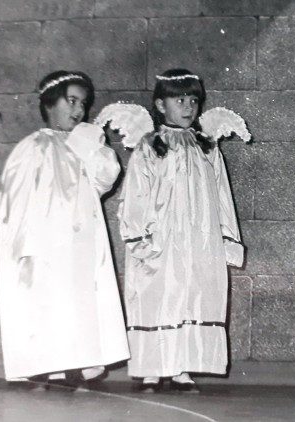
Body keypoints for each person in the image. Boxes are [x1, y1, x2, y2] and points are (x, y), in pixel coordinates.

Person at [0, 70, 129, 388]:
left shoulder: (82, 143)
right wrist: (22, 246)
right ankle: (49, 363)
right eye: (71, 101)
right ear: (49, 104)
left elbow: (105, 178)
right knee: (49, 299)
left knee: (79, 299)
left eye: (83, 103)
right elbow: (16, 203)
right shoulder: (33, 147)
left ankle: (79, 362)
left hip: (79, 241)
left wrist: (91, 145)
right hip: (45, 243)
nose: (78, 110)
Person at [118, 68, 244, 393]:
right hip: (161, 239)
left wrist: (226, 237)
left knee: (193, 295)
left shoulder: (207, 148)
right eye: (179, 99)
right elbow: (135, 194)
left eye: (193, 100)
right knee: (158, 296)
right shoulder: (150, 147)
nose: (188, 107)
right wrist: (139, 237)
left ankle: (182, 367)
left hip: (198, 239)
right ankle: (152, 368)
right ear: (160, 105)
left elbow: (222, 194)